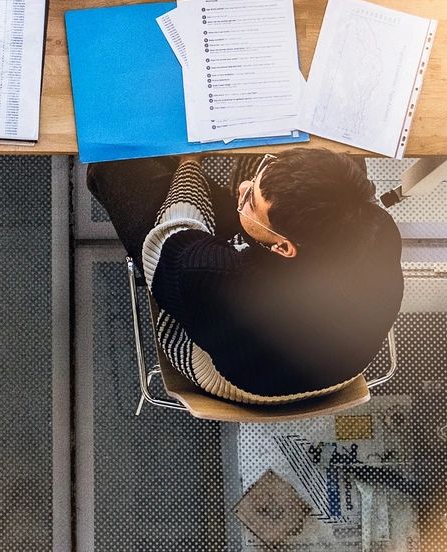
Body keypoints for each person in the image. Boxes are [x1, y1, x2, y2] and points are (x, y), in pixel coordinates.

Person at [87, 147, 401, 404]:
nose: (242, 188)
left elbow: (171, 240)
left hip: (238, 376)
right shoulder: (376, 227)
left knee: (115, 161)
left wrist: (190, 163)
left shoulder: (217, 278)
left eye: (250, 200)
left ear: (282, 248)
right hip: (327, 356)